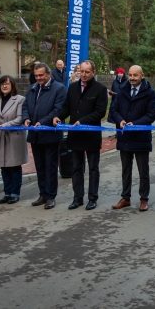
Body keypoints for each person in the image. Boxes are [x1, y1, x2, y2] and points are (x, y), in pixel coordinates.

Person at [54, 60, 108, 210]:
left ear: (93, 73)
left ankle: (92, 198)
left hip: (91, 135)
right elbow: (66, 107)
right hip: (75, 135)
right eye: (81, 71)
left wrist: (82, 121)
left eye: (87, 72)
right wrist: (59, 116)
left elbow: (100, 112)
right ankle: (77, 198)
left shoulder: (100, 89)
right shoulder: (72, 88)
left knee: (93, 168)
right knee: (76, 168)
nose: (83, 74)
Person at [109, 65, 155, 212]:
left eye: (135, 75)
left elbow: (152, 114)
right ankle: (125, 198)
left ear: (141, 76)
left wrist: (135, 124)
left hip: (141, 137)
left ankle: (144, 199)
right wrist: (121, 121)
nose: (132, 78)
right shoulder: (121, 91)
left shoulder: (150, 93)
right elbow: (113, 110)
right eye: (130, 75)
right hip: (124, 137)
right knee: (126, 169)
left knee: (143, 170)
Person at [22, 63, 67, 209]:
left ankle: (51, 197)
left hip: (50, 135)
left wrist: (42, 122)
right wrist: (26, 118)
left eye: (41, 75)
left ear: (48, 74)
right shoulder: (32, 88)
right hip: (35, 135)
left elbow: (58, 109)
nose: (39, 78)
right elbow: (25, 107)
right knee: (40, 167)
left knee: (50, 166)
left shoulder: (59, 88)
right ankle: (42, 194)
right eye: (36, 76)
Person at [0, 76, 28, 204]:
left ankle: (15, 193)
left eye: (7, 84)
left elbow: (19, 118)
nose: (4, 86)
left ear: (12, 86)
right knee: (4, 166)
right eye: (2, 84)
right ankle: (7, 193)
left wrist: (4, 125)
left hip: (14, 136)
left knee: (14, 166)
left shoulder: (20, 99)